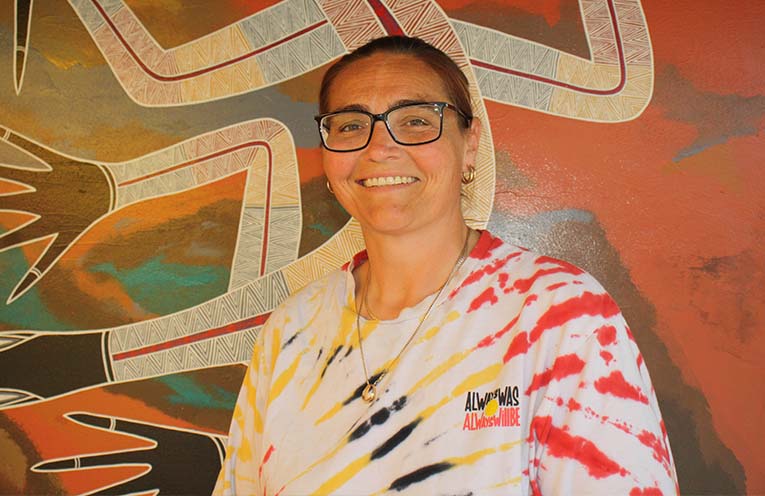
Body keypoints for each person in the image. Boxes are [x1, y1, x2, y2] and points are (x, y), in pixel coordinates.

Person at [214, 36, 678, 495]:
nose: (379, 148)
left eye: (416, 120)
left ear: (470, 144)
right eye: (351, 125)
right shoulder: (290, 330)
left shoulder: (560, 315)